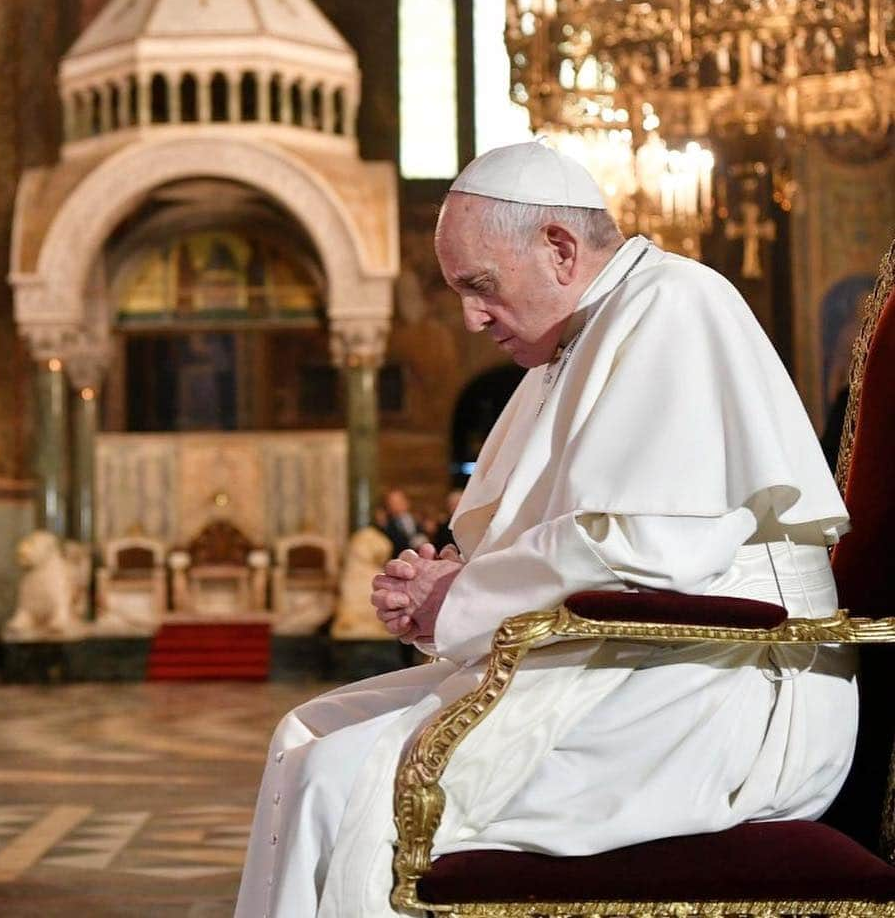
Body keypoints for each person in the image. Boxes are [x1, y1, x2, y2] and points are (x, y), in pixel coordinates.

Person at [234, 139, 856, 917]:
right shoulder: (572, 345)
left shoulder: (675, 305)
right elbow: (557, 548)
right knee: (306, 732)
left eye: (481, 286)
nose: (468, 317)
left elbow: (647, 550)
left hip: (730, 689)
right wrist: (443, 590)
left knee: (341, 779)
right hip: (641, 662)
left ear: (559, 248)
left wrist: (459, 595)